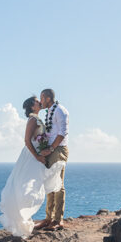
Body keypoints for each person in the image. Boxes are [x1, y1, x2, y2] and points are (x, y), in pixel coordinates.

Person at [0, 95, 66, 238]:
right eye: (36, 101)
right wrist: (38, 156)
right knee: (26, 185)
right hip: (32, 156)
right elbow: (27, 141)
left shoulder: (38, 118)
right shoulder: (33, 120)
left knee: (39, 183)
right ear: (31, 106)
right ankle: (23, 216)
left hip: (39, 155)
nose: (40, 102)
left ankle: (49, 217)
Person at [37, 88, 69, 231]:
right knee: (49, 184)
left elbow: (62, 132)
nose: (40, 101)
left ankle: (58, 220)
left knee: (58, 185)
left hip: (58, 150)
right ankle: (48, 218)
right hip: (50, 150)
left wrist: (50, 149)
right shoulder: (49, 111)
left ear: (48, 98)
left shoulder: (60, 110)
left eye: (42, 98)